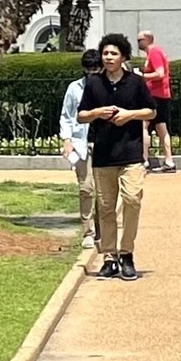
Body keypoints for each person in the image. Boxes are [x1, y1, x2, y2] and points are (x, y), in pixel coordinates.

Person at [77, 34, 157, 278]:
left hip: (130, 153)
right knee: (106, 208)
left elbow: (151, 111)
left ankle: (127, 253)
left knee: (132, 200)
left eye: (113, 53)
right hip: (103, 154)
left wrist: (129, 115)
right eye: (105, 53)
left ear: (123, 56)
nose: (108, 57)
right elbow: (80, 115)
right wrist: (96, 113)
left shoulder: (135, 82)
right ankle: (109, 257)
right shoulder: (93, 83)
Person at [57, 46, 101, 247]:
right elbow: (66, 116)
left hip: (104, 143)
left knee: (103, 191)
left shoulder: (107, 88)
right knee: (86, 188)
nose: (91, 74)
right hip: (81, 143)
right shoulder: (75, 88)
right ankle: (88, 232)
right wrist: (66, 140)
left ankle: (102, 227)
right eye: (88, 70)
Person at [138, 29, 176, 173]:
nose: (138, 43)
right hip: (159, 95)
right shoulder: (153, 53)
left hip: (155, 95)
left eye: (140, 40)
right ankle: (169, 161)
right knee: (161, 128)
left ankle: (144, 160)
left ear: (147, 39)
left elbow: (160, 73)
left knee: (143, 125)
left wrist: (142, 76)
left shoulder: (154, 52)